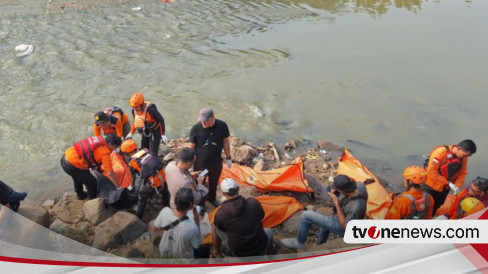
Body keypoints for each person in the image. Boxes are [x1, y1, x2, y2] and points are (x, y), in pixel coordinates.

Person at [281, 175, 368, 249]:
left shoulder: (356, 206)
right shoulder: (360, 186)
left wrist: (337, 203)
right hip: (342, 215)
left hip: (342, 227)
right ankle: (320, 244)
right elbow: (358, 182)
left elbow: (346, 226)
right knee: (324, 225)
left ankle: (299, 242)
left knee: (306, 215)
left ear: (343, 191)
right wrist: (336, 189)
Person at [212, 178, 274, 258]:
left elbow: (220, 227)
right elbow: (261, 216)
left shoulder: (221, 213)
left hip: (239, 253)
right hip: (260, 249)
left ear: (223, 193)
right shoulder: (253, 203)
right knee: (269, 231)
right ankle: (270, 256)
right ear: (238, 188)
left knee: (214, 227)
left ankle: (216, 252)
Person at [188, 108, 231, 209]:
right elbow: (191, 148)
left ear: (213, 118)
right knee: (201, 183)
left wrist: (228, 158)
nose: (203, 122)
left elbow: (225, 142)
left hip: (216, 164)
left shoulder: (222, 126)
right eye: (201, 120)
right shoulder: (196, 129)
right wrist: (190, 164)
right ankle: (201, 204)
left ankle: (212, 198)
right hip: (201, 166)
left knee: (214, 182)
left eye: (205, 120)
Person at [423, 139, 477, 214]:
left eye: (467, 156)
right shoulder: (440, 153)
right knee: (424, 206)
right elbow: (432, 172)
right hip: (430, 185)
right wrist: (447, 183)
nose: (465, 157)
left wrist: (457, 186)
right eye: (465, 155)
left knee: (436, 206)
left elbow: (463, 173)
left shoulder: (463, 158)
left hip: (445, 188)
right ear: (459, 149)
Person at [61, 135, 120, 200]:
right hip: (72, 165)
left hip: (66, 157)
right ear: (110, 144)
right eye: (115, 147)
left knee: (78, 177)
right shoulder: (105, 152)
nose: (115, 149)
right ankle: (92, 200)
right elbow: (110, 173)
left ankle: (80, 195)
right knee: (92, 183)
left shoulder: (98, 139)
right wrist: (118, 187)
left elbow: (91, 153)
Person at [152, 188, 203, 259]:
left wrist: (167, 228)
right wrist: (197, 221)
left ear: (175, 201)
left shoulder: (165, 211)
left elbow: (154, 228)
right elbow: (196, 246)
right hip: (180, 261)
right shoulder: (192, 228)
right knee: (205, 249)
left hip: (164, 253)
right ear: (191, 206)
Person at [120, 139, 165, 219]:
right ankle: (166, 203)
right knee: (165, 191)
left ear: (127, 153)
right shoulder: (147, 151)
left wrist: (132, 186)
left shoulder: (132, 163)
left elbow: (132, 177)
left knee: (141, 197)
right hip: (163, 176)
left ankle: (139, 215)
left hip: (153, 182)